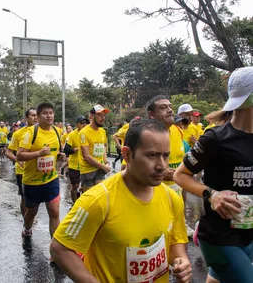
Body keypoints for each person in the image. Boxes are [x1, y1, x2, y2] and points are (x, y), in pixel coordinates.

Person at [50, 119, 192, 283]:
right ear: (126, 154)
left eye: (165, 155)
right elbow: (59, 248)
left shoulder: (171, 197)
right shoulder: (98, 200)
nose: (161, 166)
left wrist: (182, 260)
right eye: (152, 155)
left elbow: (176, 241)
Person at [174, 66, 253, 283]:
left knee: (216, 278)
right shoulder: (215, 139)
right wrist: (213, 194)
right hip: (220, 237)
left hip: (248, 233)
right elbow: (180, 176)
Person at [17, 103, 63, 251]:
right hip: (32, 182)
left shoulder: (57, 131)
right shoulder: (30, 133)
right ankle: (27, 231)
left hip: (51, 180)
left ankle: (55, 250)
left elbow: (57, 153)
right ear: (38, 116)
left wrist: (61, 156)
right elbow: (20, 155)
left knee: (54, 212)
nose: (49, 115)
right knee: (31, 212)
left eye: (51, 113)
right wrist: (38, 153)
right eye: (45, 113)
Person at [147, 96, 194, 237]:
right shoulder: (143, 135)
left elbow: (181, 157)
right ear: (151, 115)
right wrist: (161, 173)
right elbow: (126, 170)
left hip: (176, 194)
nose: (169, 110)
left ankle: (182, 222)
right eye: (163, 107)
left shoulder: (177, 131)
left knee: (178, 247)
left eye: (170, 106)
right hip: (153, 201)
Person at [5, 108, 38, 217]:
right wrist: (17, 160)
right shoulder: (18, 134)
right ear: (26, 118)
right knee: (24, 197)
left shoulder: (45, 131)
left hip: (39, 171)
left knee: (36, 199)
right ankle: (26, 221)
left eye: (37, 115)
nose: (36, 118)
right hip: (22, 172)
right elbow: (8, 152)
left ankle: (30, 219)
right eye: (33, 115)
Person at [77, 105, 111, 193]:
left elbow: (103, 148)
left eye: (104, 115)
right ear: (91, 116)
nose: (103, 118)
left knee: (100, 195)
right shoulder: (83, 133)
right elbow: (86, 157)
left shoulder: (102, 131)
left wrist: (106, 162)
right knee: (90, 199)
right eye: (99, 115)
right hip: (88, 171)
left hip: (100, 169)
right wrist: (103, 166)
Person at [63, 116, 89, 206]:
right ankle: (75, 204)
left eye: (86, 123)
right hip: (74, 165)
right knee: (75, 186)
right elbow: (66, 149)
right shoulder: (71, 135)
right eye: (82, 123)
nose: (84, 125)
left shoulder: (88, 134)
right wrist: (76, 149)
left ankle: (83, 204)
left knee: (86, 187)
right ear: (77, 124)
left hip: (86, 165)